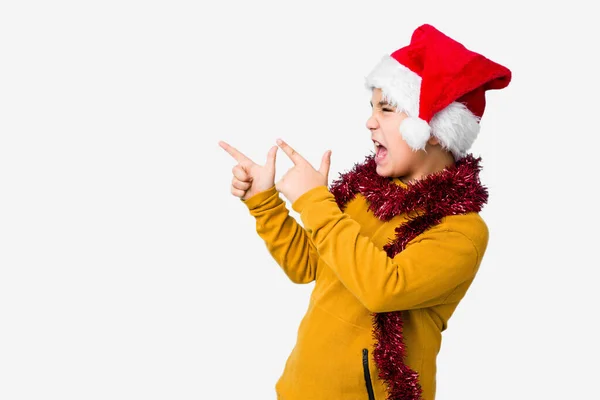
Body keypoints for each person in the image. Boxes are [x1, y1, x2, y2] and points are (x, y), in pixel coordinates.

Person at [219, 23, 511, 400]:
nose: (370, 121)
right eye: (372, 108)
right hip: (298, 388)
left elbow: (383, 288)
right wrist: (265, 202)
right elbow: (307, 265)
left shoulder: (461, 230)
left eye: (386, 109)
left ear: (433, 129)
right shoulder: (363, 195)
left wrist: (313, 201)